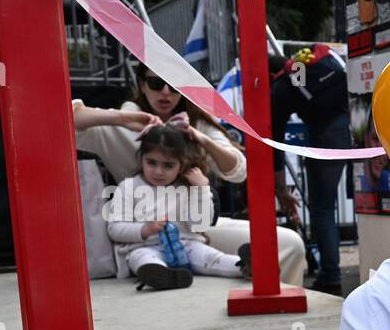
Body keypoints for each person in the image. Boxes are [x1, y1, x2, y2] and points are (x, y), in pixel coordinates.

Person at [73, 63, 307, 285]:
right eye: (156, 83)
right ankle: (159, 274)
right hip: (142, 235)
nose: (165, 92)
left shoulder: (194, 122)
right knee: (145, 257)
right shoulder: (123, 123)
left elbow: (238, 172)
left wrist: (200, 138)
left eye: (174, 85)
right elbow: (65, 118)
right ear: (142, 84)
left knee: (289, 244)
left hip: (192, 229)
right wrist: (123, 119)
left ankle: (271, 310)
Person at [105, 125, 250, 290]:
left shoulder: (189, 186)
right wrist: (145, 229)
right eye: (151, 162)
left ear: (182, 165)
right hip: (145, 247)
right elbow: (114, 229)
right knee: (142, 258)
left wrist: (202, 190)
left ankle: (245, 266)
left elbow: (200, 225)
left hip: (187, 245)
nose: (158, 172)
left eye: (168, 165)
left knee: (213, 257)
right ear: (141, 159)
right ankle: (160, 275)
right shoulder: (128, 187)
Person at [269, 46, 352, 296]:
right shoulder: (304, 68)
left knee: (323, 209)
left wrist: (281, 190)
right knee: (329, 207)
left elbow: (275, 146)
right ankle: (331, 273)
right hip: (351, 127)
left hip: (326, 139)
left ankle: (330, 277)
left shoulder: (281, 88)